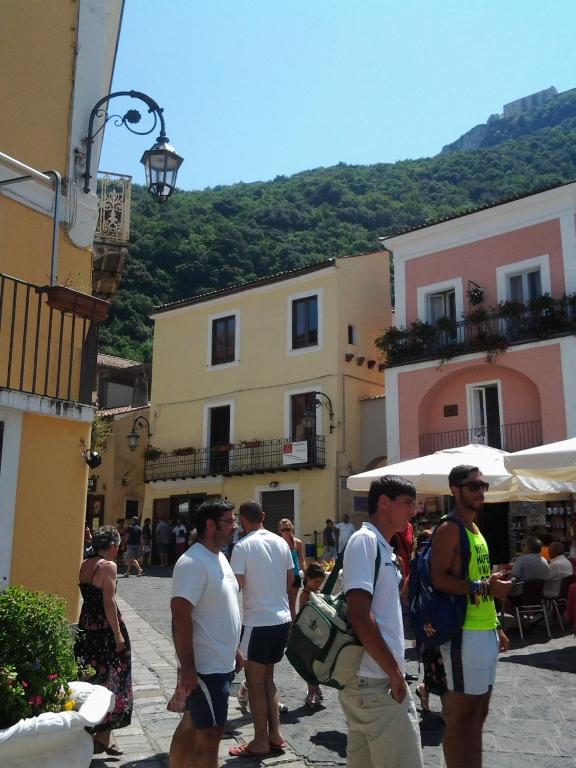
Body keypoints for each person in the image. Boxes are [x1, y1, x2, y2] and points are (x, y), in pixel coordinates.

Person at [431, 465, 513, 768]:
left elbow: (479, 579)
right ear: (455, 490)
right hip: (463, 633)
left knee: (479, 716)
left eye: (483, 486)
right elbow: (438, 578)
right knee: (461, 719)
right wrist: (484, 587)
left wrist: (497, 626)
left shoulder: (475, 529)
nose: (481, 492)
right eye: (474, 486)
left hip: (484, 630)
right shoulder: (449, 528)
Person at [339, 476, 423, 768]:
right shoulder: (365, 541)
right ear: (384, 503)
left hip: (370, 682)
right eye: (408, 503)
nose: (414, 511)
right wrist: (394, 672)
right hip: (376, 682)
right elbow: (360, 614)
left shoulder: (382, 546)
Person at [169, 499, 242, 768]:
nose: (235, 526)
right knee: (211, 734)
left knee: (192, 723)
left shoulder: (219, 556)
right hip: (205, 668)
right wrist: (188, 666)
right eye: (229, 521)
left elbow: (220, 607)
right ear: (211, 525)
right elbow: (180, 615)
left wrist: (234, 649)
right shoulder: (193, 562)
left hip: (220, 662)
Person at [229, 500, 295, 758]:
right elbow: (290, 579)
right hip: (281, 619)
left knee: (255, 683)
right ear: (263, 516)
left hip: (257, 621)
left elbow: (236, 585)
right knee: (268, 679)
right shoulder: (281, 542)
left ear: (242, 520)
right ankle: (275, 734)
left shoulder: (242, 546)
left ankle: (259, 741)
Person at [75, 527, 132, 755]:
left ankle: (101, 736)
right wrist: (118, 634)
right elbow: (109, 602)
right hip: (104, 630)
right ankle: (104, 736)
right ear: (114, 546)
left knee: (91, 677)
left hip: (86, 626)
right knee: (114, 678)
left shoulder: (85, 564)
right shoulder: (108, 566)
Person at [412, 530, 447, 716]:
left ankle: (424, 690)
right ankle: (446, 711)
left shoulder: (420, 564)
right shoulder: (424, 564)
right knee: (438, 666)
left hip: (427, 626)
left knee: (434, 666)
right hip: (431, 625)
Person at [299, 561, 326, 707]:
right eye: (316, 582)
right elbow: (302, 616)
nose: (318, 585)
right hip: (308, 635)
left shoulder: (318, 592)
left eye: (320, 582)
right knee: (309, 665)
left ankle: (316, 688)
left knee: (317, 664)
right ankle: (311, 691)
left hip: (319, 634)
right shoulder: (305, 595)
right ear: (308, 579)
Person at [278, 518, 307, 608]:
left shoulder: (298, 543)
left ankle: (293, 618)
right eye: (283, 530)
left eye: (288, 529)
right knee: (282, 604)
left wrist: (307, 575)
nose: (286, 532)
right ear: (280, 531)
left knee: (292, 605)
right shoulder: (277, 543)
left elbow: (302, 561)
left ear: (292, 529)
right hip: (281, 577)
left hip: (295, 576)